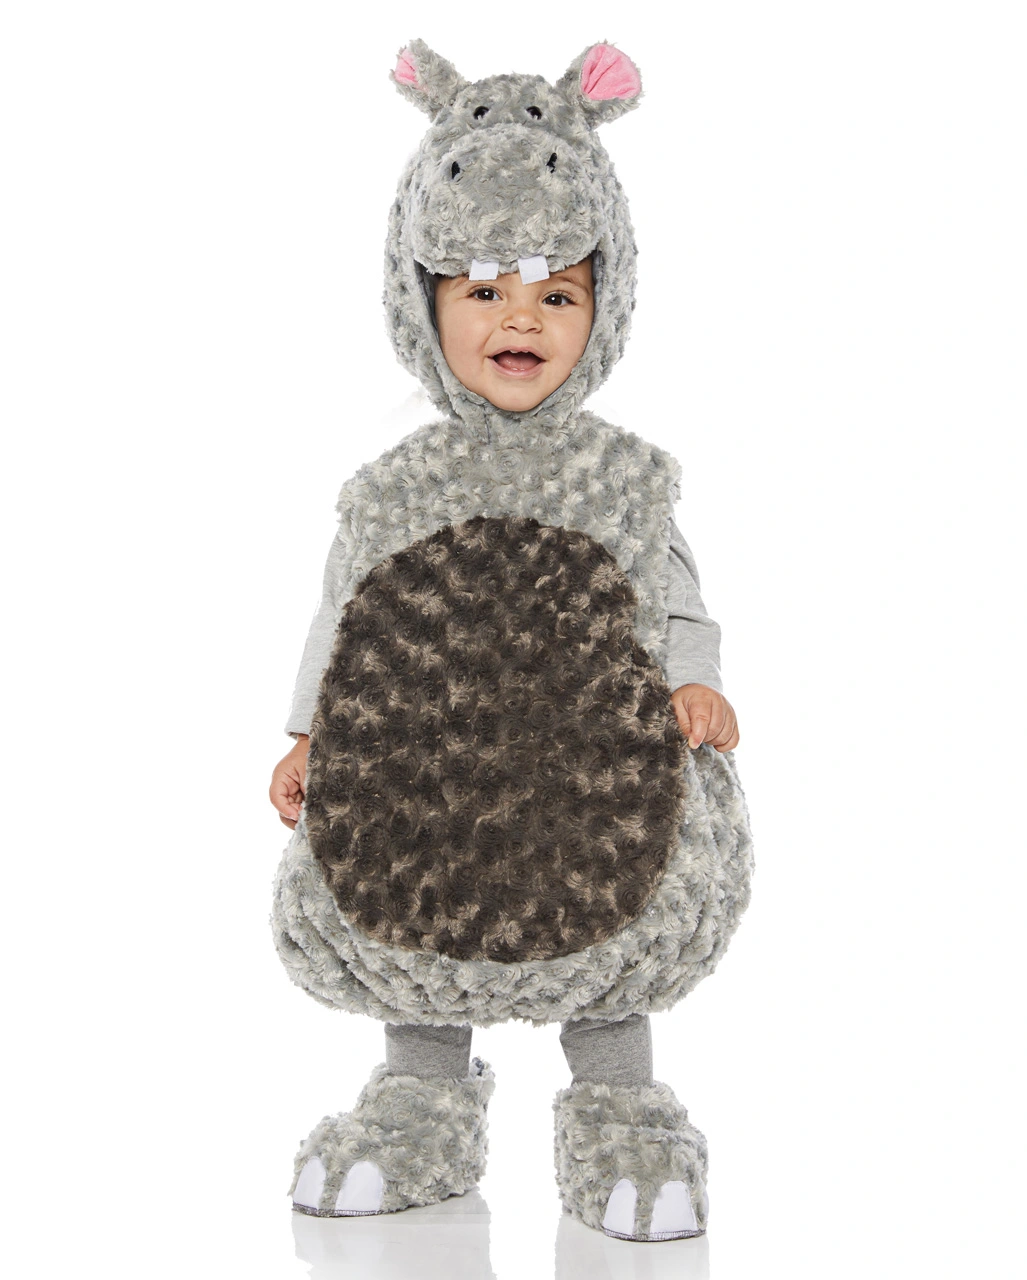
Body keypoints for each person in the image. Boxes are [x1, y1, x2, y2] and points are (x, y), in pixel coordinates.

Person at [268, 39, 754, 1242]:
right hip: (422, 762)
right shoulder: (393, 487)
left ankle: (619, 1104)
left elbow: (677, 598)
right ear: (421, 300)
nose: (519, 316)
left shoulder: (624, 479)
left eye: (554, 291)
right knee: (414, 907)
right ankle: (421, 1097)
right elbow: (341, 613)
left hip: (586, 763)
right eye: (481, 289)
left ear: (604, 303)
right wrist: (308, 733)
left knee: (606, 922)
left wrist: (694, 682)